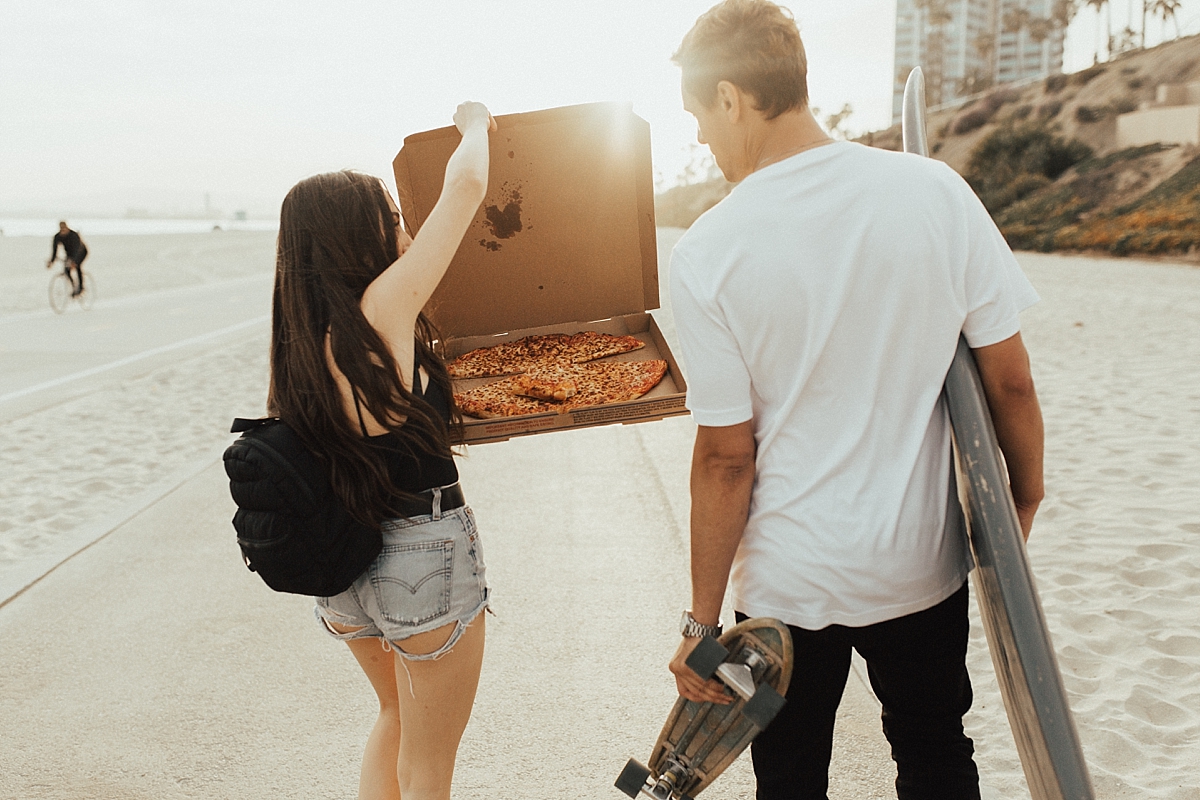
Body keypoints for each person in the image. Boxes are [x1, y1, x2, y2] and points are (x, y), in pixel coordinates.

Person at [664, 2, 1044, 799]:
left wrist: (701, 626)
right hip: (918, 564)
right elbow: (1009, 380)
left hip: (787, 590)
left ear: (732, 97)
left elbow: (727, 457)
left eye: (698, 114)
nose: (700, 137)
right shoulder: (935, 192)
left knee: (792, 778)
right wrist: (1021, 502)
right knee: (936, 751)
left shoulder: (707, 252)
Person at [270, 101, 495, 800]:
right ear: (358, 237)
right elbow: (465, 190)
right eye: (394, 217)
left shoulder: (300, 340)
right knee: (429, 768)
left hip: (346, 569)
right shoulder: (384, 309)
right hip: (419, 555)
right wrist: (477, 126)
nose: (405, 229)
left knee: (395, 718)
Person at [47, 221, 88, 296]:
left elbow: (77, 248)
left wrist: (74, 262)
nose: (63, 231)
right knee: (67, 270)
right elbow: (55, 250)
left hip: (81, 252)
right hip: (69, 254)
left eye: (64, 229)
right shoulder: (57, 237)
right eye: (61, 230)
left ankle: (81, 288)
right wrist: (51, 261)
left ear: (67, 228)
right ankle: (74, 287)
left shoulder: (73, 235)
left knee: (77, 266)